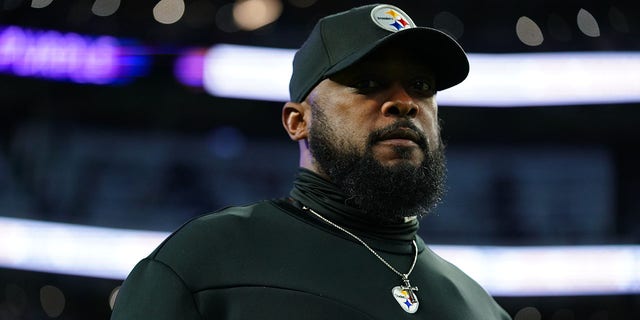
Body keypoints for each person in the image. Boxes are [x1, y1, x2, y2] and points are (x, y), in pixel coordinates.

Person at [110, 4, 511, 319]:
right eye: (367, 83)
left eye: (421, 86)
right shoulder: (202, 262)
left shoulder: (481, 308)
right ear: (298, 121)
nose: (403, 102)